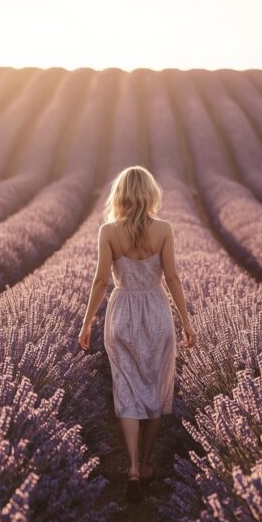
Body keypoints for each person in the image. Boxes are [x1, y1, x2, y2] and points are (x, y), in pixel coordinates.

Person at [78, 166, 197, 503]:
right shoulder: (164, 229)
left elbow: (101, 280)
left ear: (120, 195)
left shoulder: (109, 231)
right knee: (157, 389)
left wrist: (87, 322)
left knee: (127, 388)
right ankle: (146, 463)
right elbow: (172, 278)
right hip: (157, 314)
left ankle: (131, 467)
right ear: (150, 194)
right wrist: (186, 322)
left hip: (122, 314)